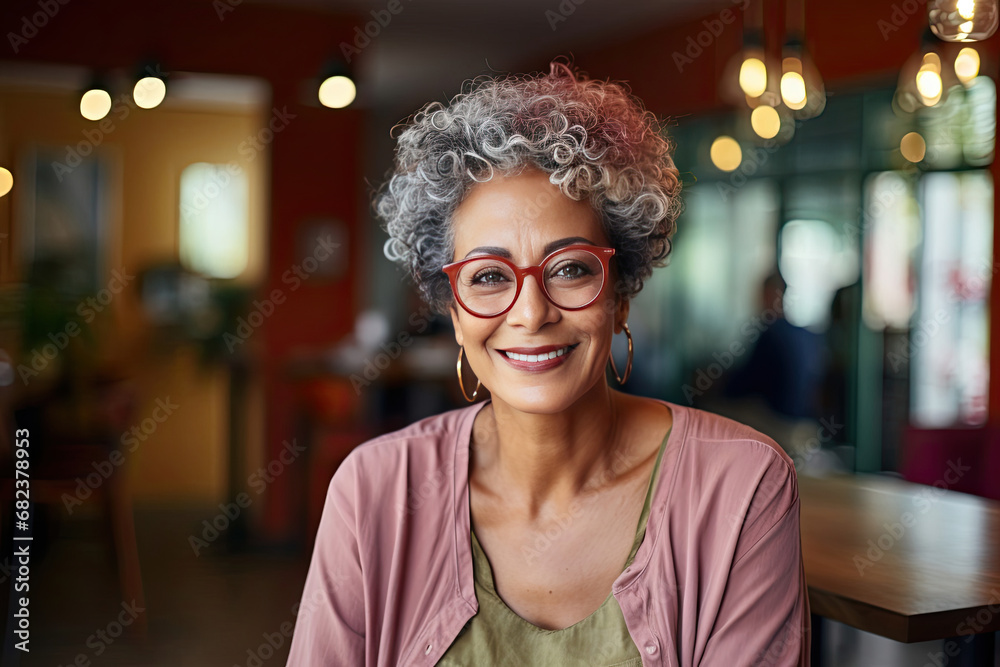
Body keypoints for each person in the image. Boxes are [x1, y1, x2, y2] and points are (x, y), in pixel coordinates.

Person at [286, 58, 810, 666]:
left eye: (570, 268)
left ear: (621, 294)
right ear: (452, 311)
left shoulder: (742, 486)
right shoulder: (374, 491)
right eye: (487, 276)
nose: (530, 313)